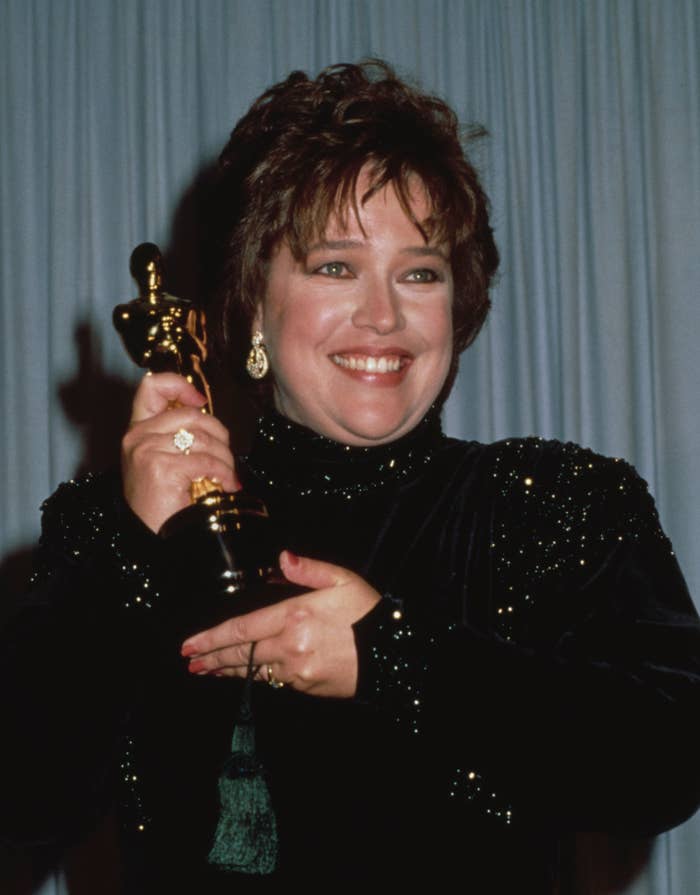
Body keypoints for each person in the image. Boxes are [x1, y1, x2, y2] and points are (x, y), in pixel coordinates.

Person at [3, 60, 700, 893]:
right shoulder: (125, 521)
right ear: (252, 303)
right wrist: (132, 542)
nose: (385, 315)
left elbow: (667, 758)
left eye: (420, 272)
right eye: (335, 266)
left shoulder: (553, 503)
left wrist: (391, 656)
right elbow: (26, 800)